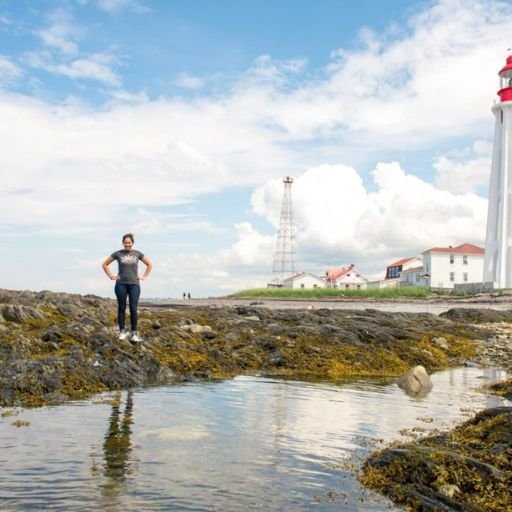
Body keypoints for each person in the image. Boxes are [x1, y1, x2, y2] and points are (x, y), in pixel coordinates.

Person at [102, 233, 153, 342]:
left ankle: (134, 334)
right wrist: (111, 276)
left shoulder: (138, 253)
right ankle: (122, 332)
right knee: (122, 308)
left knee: (133, 309)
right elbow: (105, 264)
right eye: (125, 242)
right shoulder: (118, 253)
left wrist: (144, 276)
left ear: (132, 243)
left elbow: (149, 264)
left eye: (129, 242)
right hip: (121, 284)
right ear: (123, 243)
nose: (127, 244)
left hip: (134, 284)